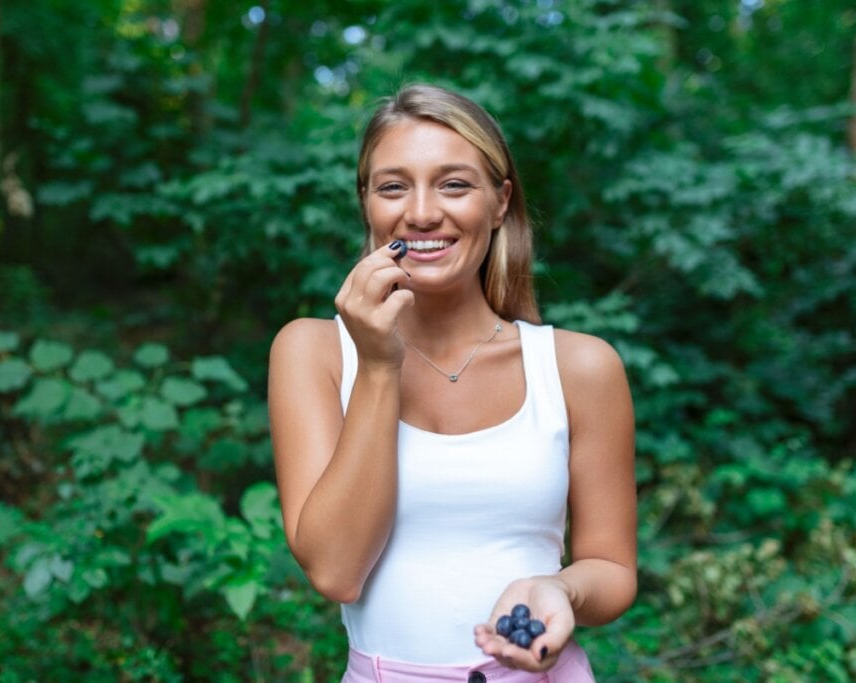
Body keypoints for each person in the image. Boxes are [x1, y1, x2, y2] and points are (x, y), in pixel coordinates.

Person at [269, 83, 636, 682]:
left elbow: (612, 569)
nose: (420, 212)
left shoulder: (580, 367)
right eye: (393, 186)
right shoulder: (313, 351)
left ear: (499, 202)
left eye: (454, 184)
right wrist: (380, 365)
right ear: (367, 204)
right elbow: (336, 571)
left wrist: (560, 588)